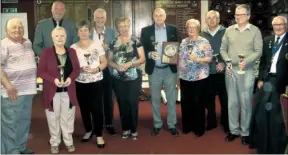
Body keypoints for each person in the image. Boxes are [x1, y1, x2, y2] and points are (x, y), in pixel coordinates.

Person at [220, 4, 263, 145]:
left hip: (247, 71)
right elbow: (222, 49)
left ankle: (245, 132)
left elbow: (258, 51)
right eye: (236, 15)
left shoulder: (255, 31)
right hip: (231, 70)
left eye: (241, 15)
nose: (238, 17)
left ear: (248, 16)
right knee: (232, 103)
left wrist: (246, 61)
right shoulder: (229, 30)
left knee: (245, 103)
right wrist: (227, 61)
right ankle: (234, 131)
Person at [38, 27, 80, 154]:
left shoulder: (72, 51)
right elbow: (40, 71)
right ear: (52, 38)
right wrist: (53, 80)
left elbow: (77, 70)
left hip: (68, 90)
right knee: (53, 117)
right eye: (57, 36)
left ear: (66, 37)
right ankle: (54, 142)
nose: (60, 38)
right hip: (52, 92)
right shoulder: (46, 52)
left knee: (67, 117)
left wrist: (71, 78)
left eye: (62, 35)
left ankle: (68, 141)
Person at [249, 16, 288, 154]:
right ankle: (262, 143)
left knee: (274, 113)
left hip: (282, 82)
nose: (278, 27)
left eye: (281, 24)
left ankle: (276, 145)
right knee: (260, 109)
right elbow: (263, 62)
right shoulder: (268, 40)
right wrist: (259, 79)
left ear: (286, 25)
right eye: (275, 24)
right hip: (267, 80)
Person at [140, 8, 179, 136]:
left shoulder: (173, 29)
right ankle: (157, 124)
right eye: (156, 15)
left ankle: (172, 124)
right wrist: (150, 54)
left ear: (165, 16)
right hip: (154, 70)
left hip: (169, 70)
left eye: (161, 15)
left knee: (171, 99)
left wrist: (174, 53)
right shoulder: (146, 31)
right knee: (155, 99)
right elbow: (142, 49)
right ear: (153, 16)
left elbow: (178, 46)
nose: (159, 17)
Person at [1, 18, 37, 154]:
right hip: (12, 91)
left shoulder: (27, 42)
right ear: (7, 30)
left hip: (28, 91)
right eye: (14, 27)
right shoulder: (3, 44)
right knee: (10, 124)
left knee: (24, 121)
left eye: (20, 27)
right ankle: (11, 151)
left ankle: (21, 147)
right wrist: (8, 86)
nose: (17, 30)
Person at [71, 20, 107, 148]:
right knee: (84, 108)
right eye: (80, 30)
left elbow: (104, 62)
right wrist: (79, 69)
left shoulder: (97, 45)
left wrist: (96, 69)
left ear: (89, 31)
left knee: (97, 109)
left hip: (96, 81)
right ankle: (88, 130)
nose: (83, 32)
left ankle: (99, 135)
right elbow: (72, 67)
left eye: (85, 30)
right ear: (77, 33)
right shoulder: (73, 48)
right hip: (80, 82)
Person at [108, 17, 145, 140]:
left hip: (134, 76)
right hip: (118, 77)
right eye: (121, 26)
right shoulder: (113, 42)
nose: (123, 28)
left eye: (125, 25)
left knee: (132, 102)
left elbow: (142, 58)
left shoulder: (135, 40)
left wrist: (130, 64)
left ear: (129, 26)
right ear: (117, 28)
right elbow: (109, 60)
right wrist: (117, 66)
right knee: (122, 103)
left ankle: (134, 129)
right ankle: (125, 129)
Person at [178, 19, 213, 137]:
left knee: (198, 103)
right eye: (189, 28)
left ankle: (199, 128)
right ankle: (187, 126)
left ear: (198, 29)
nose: (191, 30)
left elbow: (209, 58)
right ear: (186, 29)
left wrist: (197, 59)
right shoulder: (183, 42)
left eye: (194, 27)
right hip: (184, 77)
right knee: (186, 103)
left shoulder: (204, 42)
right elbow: (179, 58)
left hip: (200, 77)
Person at [200, 10, 229, 133]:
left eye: (214, 18)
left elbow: (232, 49)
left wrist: (223, 61)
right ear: (206, 20)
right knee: (208, 99)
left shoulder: (227, 32)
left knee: (225, 99)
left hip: (223, 72)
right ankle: (211, 122)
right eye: (209, 18)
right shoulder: (202, 34)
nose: (211, 20)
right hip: (207, 72)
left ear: (218, 20)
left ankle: (226, 122)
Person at [90, 8, 116, 135]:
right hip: (93, 70)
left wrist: (109, 47)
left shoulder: (112, 32)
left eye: (102, 18)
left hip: (108, 69)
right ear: (94, 19)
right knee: (95, 99)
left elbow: (118, 48)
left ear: (106, 19)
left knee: (108, 98)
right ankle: (96, 124)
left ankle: (109, 123)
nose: (100, 20)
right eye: (98, 18)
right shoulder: (88, 33)